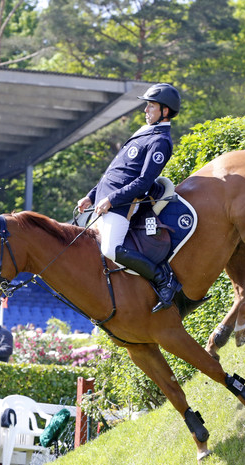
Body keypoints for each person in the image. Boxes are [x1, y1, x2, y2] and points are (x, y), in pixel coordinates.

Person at [76, 83, 182, 313]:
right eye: (146, 105)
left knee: (111, 250)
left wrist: (112, 200)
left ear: (165, 111)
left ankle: (164, 280)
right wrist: (91, 196)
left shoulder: (160, 141)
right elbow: (115, 171)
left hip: (121, 205)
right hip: (105, 200)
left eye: (151, 106)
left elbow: (143, 182)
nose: (145, 110)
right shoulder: (143, 133)